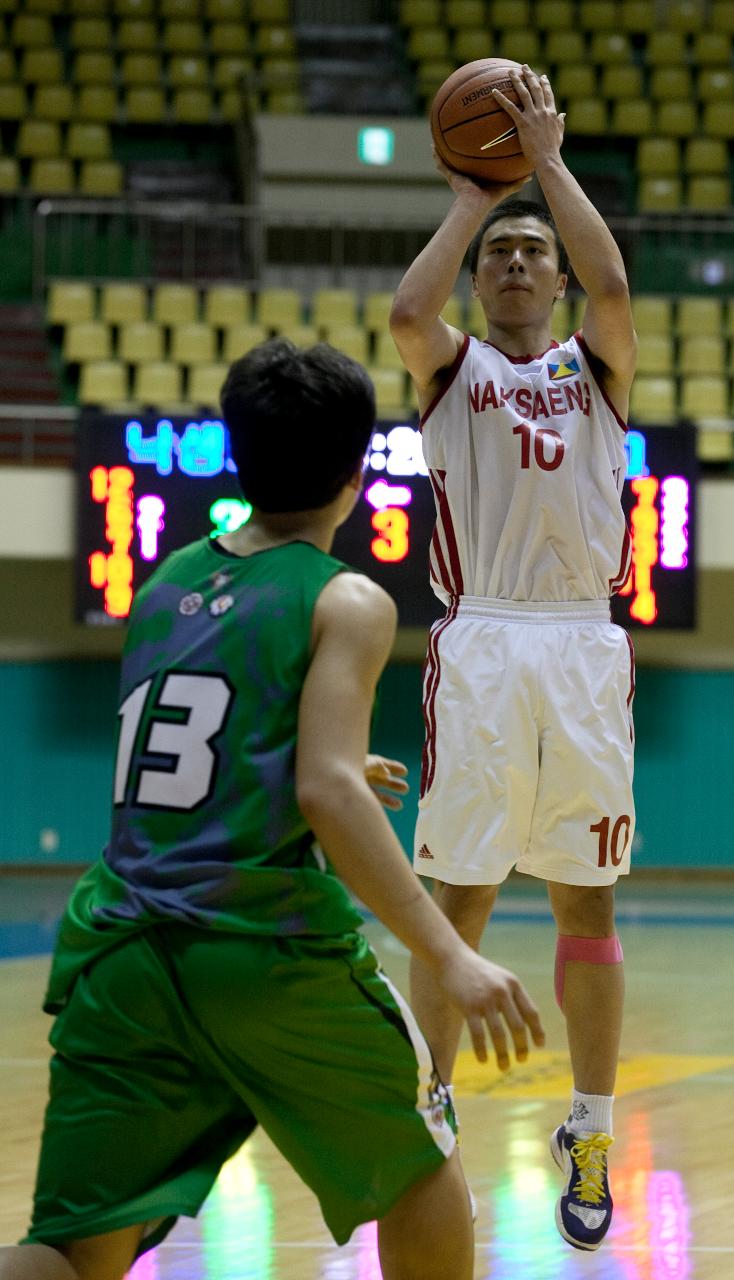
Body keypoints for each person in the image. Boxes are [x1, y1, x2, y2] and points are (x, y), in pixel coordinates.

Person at [0, 339, 545, 1280]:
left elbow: (209, 747)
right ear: (356, 471)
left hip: (125, 952)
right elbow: (323, 790)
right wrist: (449, 955)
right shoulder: (349, 599)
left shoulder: (165, 581)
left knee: (72, 1253)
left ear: (236, 455)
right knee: (422, 1167)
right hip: (264, 949)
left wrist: (308, 754)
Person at [389, 66, 638, 1253]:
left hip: (583, 638)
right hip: (484, 630)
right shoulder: (454, 369)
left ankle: (589, 1125)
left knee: (585, 893)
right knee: (464, 895)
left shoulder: (596, 369)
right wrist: (468, 197)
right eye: (502, 256)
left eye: (532, 253)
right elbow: (402, 314)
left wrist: (539, 167)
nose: (520, 265)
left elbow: (616, 279)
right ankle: (429, 1100)